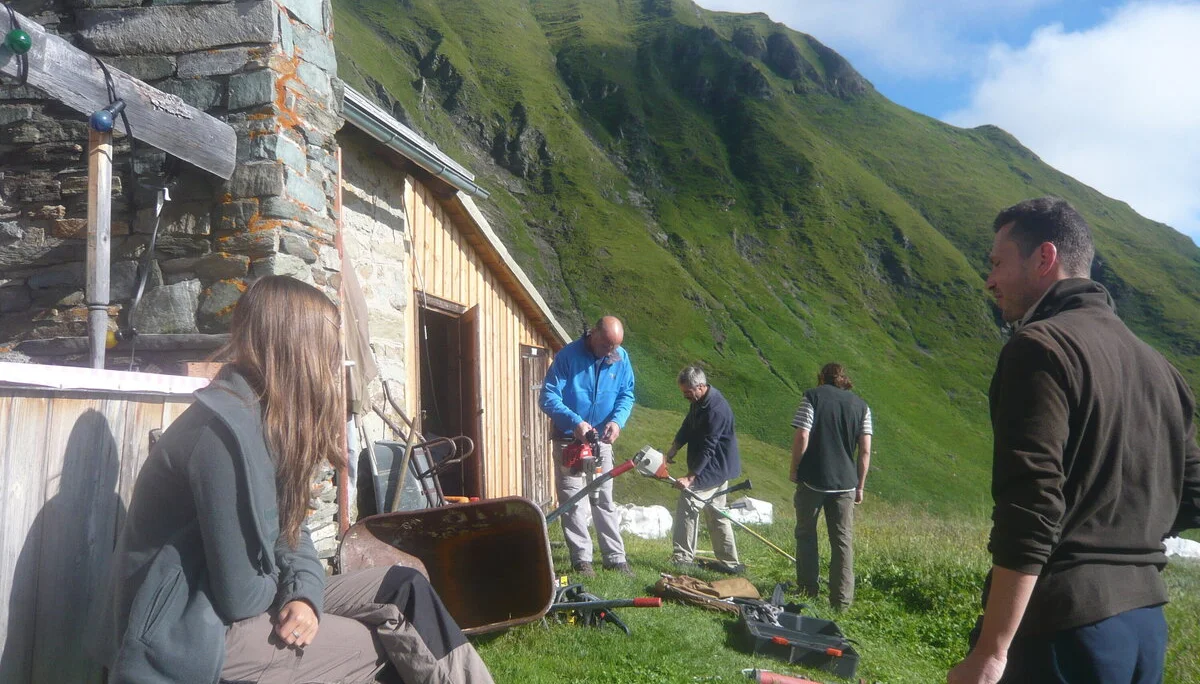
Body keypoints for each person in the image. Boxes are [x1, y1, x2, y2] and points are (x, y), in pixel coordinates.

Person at [86, 276, 492, 684]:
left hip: (224, 606)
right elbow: (241, 597)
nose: (334, 362)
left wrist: (304, 593)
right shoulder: (222, 436)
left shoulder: (262, 419)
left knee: (404, 586)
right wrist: (294, 594)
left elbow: (292, 532)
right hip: (186, 629)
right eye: (329, 347)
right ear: (300, 349)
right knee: (376, 646)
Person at [947, 197, 1200, 684]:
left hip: (1064, 627)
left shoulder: (1041, 347)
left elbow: (1032, 504)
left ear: (1044, 257)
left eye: (998, 263)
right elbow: (1192, 494)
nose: (990, 280)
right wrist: (1123, 542)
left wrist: (992, 651)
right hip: (1145, 629)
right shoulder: (1162, 369)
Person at [540, 315, 636, 577]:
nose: (610, 351)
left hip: (601, 441)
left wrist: (617, 422)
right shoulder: (568, 357)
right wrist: (575, 423)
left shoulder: (620, 358)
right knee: (573, 499)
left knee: (604, 497)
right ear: (593, 334)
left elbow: (626, 394)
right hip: (570, 441)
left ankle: (615, 558)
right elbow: (548, 396)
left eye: (615, 346)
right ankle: (582, 560)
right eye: (606, 345)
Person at [789, 362, 872, 610]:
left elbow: (803, 435)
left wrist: (795, 469)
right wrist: (860, 486)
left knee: (806, 534)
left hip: (813, 478)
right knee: (842, 541)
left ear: (821, 377)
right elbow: (865, 450)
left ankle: (808, 590)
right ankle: (841, 601)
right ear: (843, 379)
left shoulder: (812, 397)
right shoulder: (862, 406)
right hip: (845, 482)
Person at [664, 365, 743, 574]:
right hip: (714, 466)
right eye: (683, 392)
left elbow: (709, 448)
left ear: (700, 386)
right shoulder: (699, 402)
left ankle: (682, 558)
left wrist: (690, 478)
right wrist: (673, 449)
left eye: (688, 392)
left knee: (688, 501)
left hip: (714, 468)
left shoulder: (716, 409)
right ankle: (729, 563)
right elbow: (688, 425)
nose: (685, 397)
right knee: (717, 514)